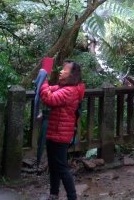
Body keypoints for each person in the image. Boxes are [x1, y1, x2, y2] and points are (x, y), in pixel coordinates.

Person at [40, 60, 85, 200]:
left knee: (62, 168)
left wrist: (43, 81)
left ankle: (72, 197)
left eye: (64, 70)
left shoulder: (69, 91)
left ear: (72, 75)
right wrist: (44, 75)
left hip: (60, 135)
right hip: (55, 133)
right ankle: (54, 194)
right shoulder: (63, 87)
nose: (60, 71)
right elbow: (51, 90)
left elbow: (49, 98)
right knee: (54, 166)